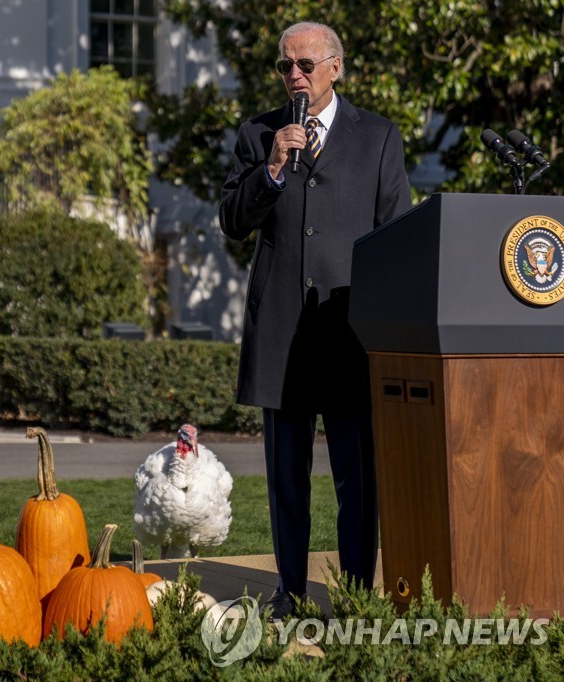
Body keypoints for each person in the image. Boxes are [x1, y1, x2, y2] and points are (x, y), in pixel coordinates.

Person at [219, 21, 411, 619]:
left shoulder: (378, 137)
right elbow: (232, 219)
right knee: (286, 480)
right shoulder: (259, 134)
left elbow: (395, 237)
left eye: (305, 64)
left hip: (350, 331)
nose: (294, 76)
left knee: (359, 480)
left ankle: (355, 595)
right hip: (282, 330)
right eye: (286, 67)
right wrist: (273, 167)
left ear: (335, 67)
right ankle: (290, 591)